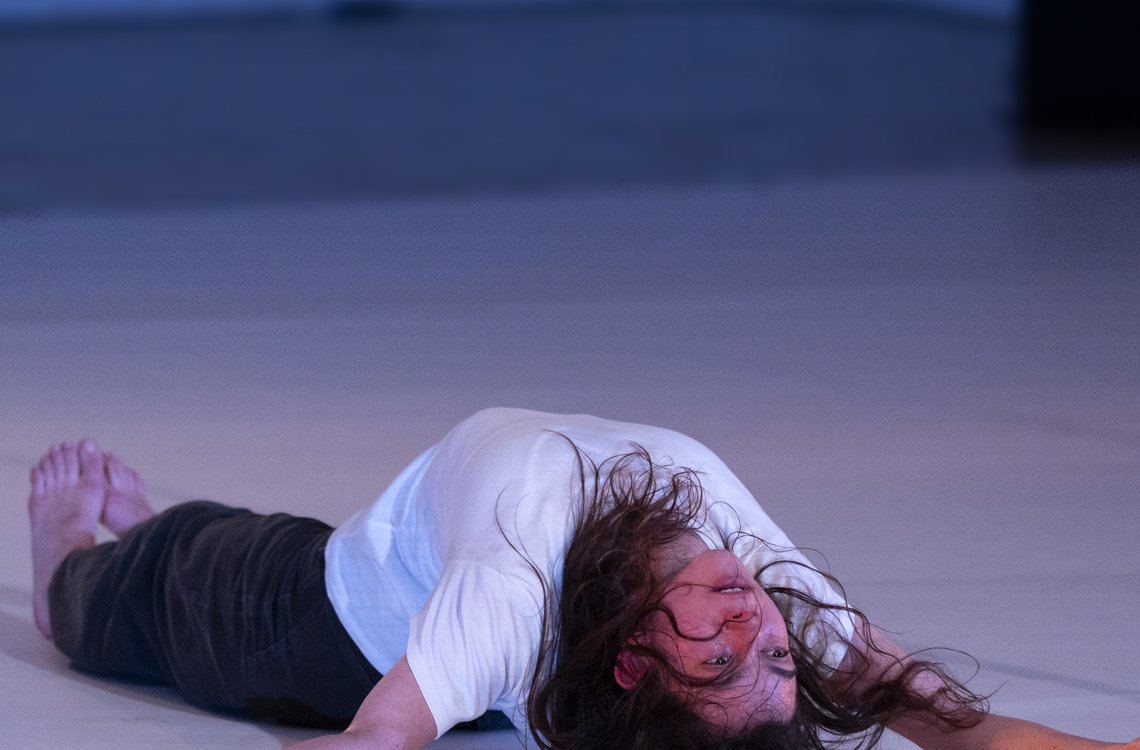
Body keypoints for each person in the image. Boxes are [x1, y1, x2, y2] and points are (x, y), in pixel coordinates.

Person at [28, 408, 1136, 750]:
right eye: (773, 651)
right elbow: (957, 727)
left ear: (638, 661)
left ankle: (67, 556)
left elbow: (374, 741)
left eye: (720, 657)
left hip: (307, 631)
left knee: (162, 570)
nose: (754, 619)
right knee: (353, 550)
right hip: (412, 577)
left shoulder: (514, 573)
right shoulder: (751, 574)